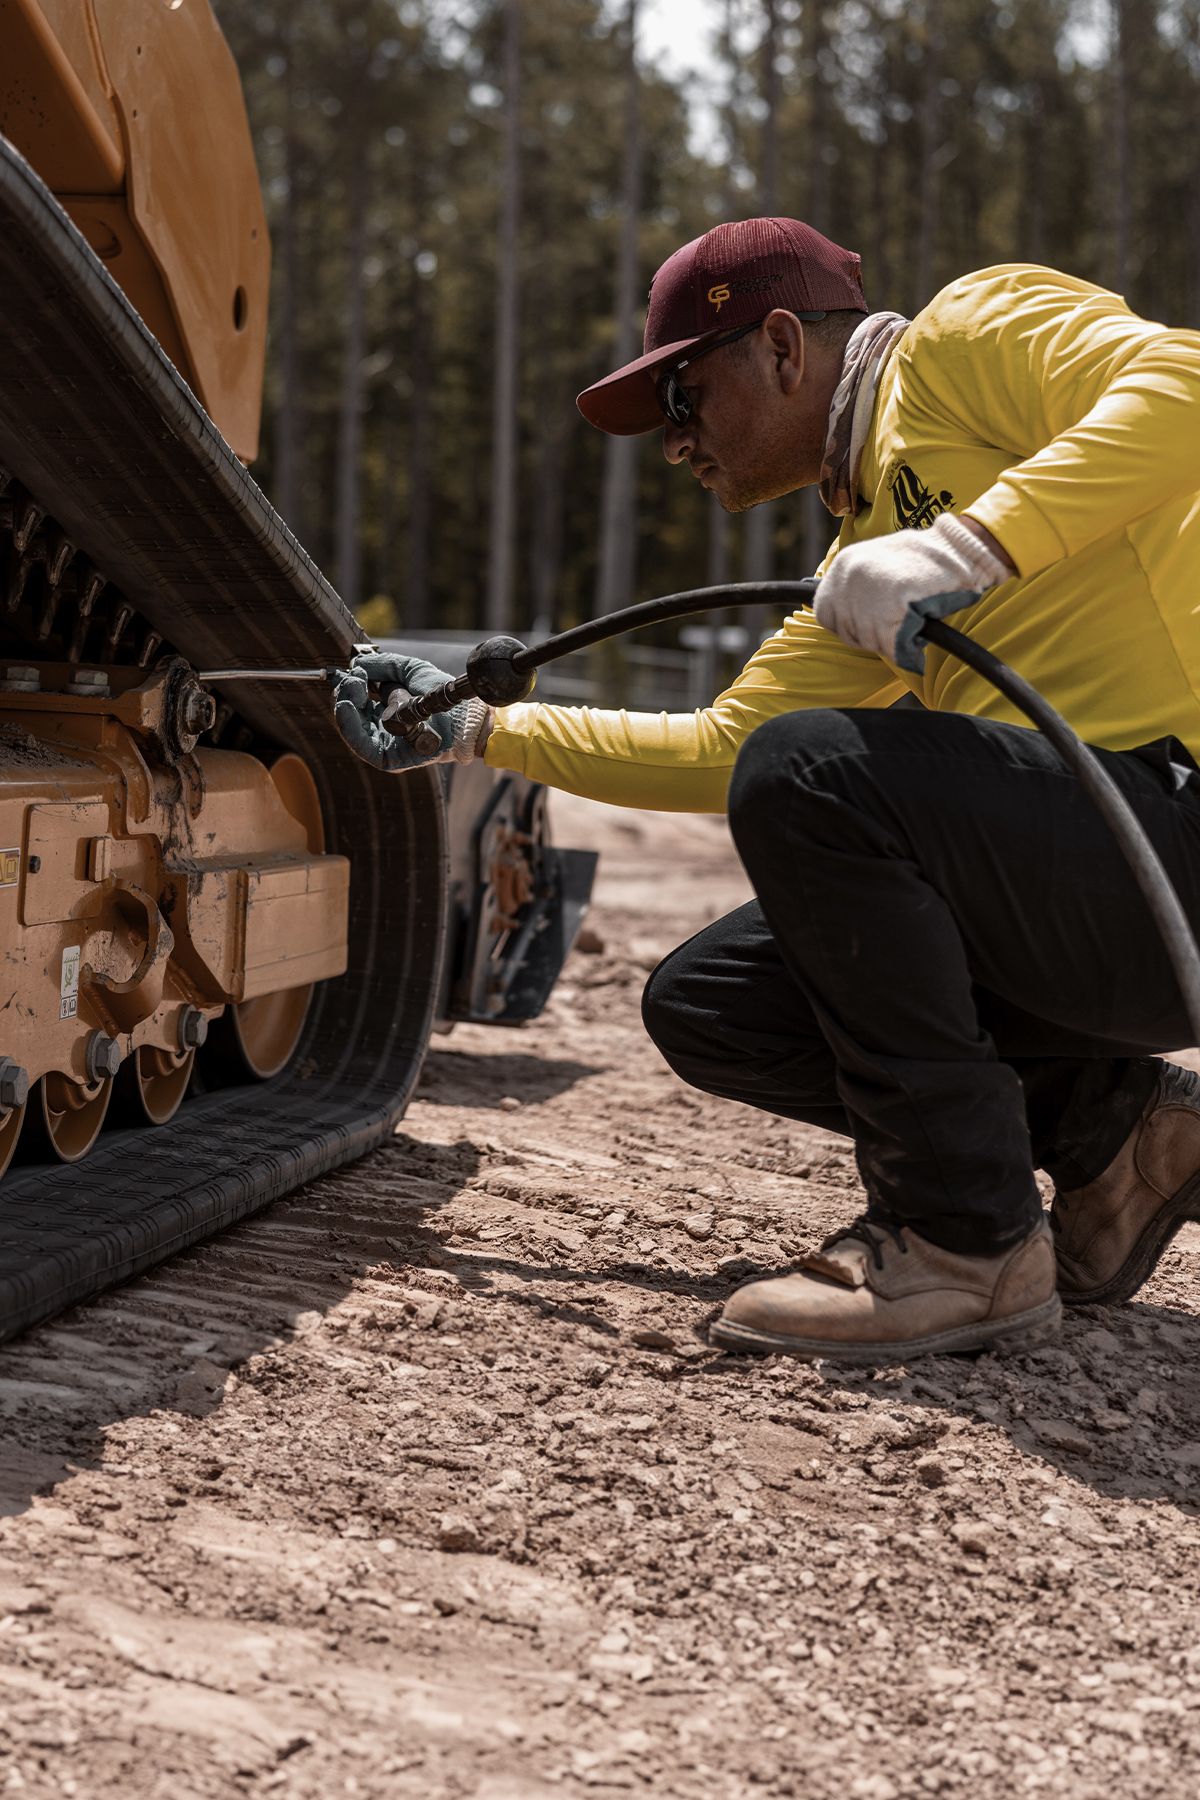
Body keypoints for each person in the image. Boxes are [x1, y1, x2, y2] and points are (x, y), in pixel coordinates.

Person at [334, 216, 1200, 1366]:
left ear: (783, 347)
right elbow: (720, 743)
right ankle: (1119, 1139)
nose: (676, 447)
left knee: (816, 774)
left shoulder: (964, 336)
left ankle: (963, 1243)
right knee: (717, 1001)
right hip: (1102, 891)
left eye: (683, 401)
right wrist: (476, 730)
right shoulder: (866, 542)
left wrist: (974, 546)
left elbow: (1185, 383)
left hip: (1172, 829)